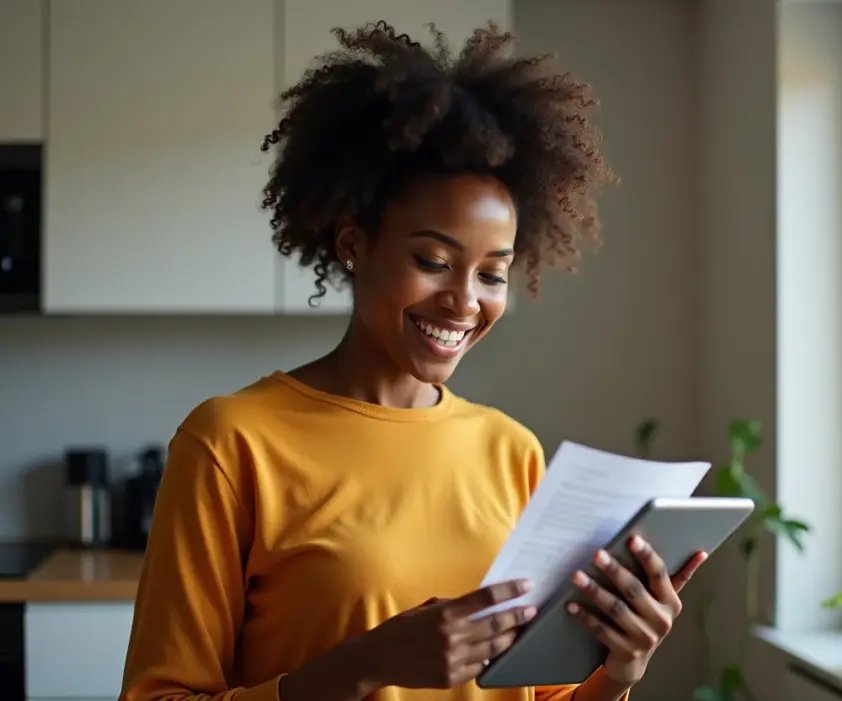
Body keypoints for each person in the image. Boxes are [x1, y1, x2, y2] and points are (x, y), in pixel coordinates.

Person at [119, 20, 706, 701]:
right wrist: (363, 663)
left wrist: (618, 670)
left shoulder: (510, 452)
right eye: (433, 261)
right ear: (352, 243)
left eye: (492, 273)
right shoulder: (232, 442)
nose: (464, 300)